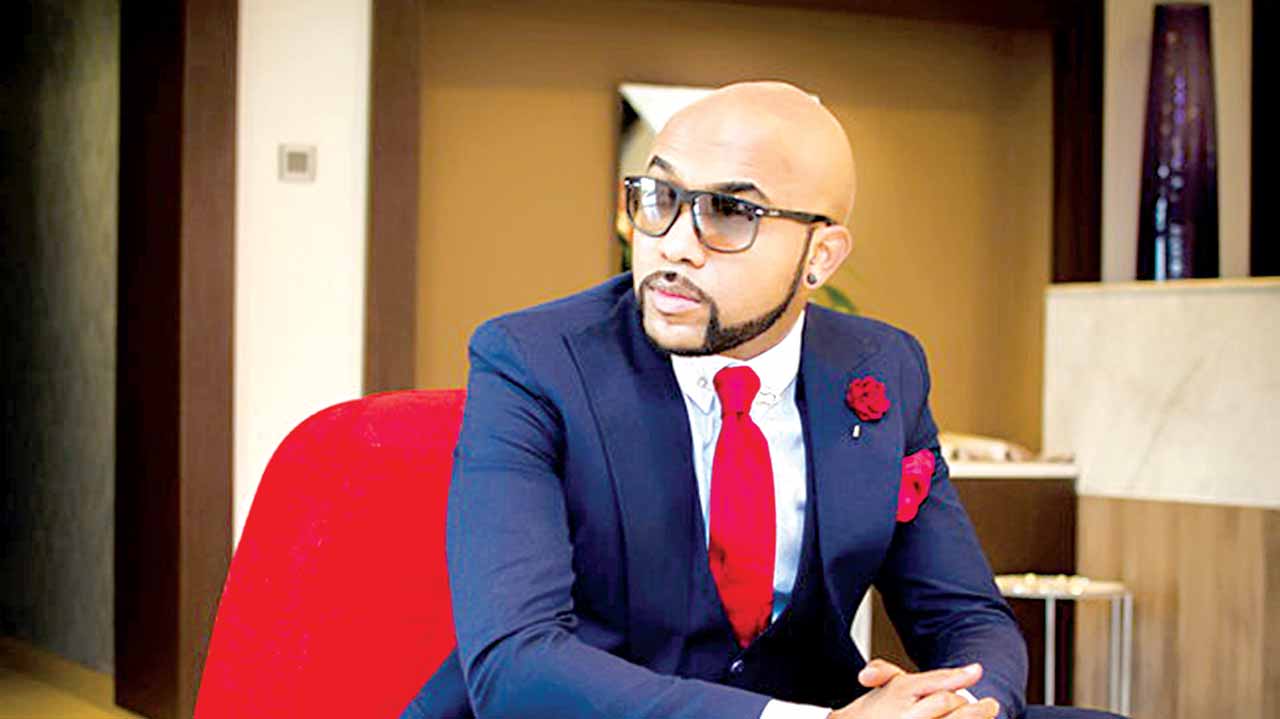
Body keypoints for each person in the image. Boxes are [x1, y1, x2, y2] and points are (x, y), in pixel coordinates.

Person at [407, 81, 1031, 719]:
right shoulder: (533, 360)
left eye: (731, 212)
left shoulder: (882, 370)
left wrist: (961, 706)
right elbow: (516, 664)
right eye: (660, 197)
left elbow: (965, 616)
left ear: (820, 256)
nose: (674, 244)